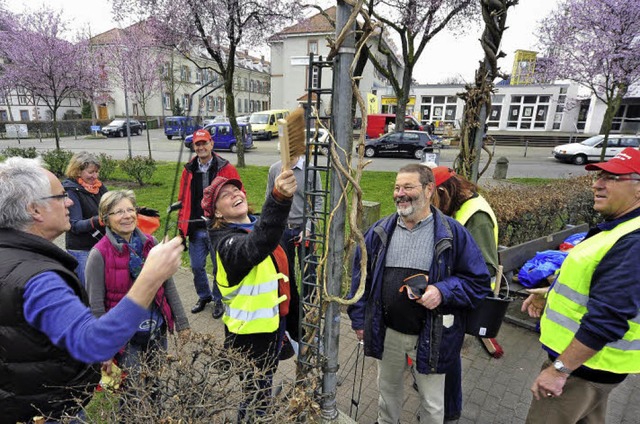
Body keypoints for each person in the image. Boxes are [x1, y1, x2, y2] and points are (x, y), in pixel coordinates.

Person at [0, 157, 183, 423]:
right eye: (61, 196)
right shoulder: (39, 278)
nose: (71, 202)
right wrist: (151, 276)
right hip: (47, 410)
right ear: (34, 210)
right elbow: (93, 343)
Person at [347, 164, 491, 424]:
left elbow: (479, 283)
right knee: (386, 394)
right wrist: (359, 321)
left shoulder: (452, 233)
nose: (400, 194)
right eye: (396, 187)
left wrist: (443, 290)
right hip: (388, 332)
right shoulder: (380, 232)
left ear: (428, 190)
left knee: (432, 403)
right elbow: (361, 280)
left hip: (432, 334)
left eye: (408, 187)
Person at [522, 147, 640, 424]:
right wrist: (548, 294)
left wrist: (559, 370)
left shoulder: (632, 242)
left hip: (581, 371)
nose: (597, 184)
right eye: (599, 176)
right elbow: (591, 286)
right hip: (590, 369)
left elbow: (608, 318)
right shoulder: (621, 228)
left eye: (612, 178)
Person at [203, 171, 296, 422]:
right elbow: (254, 247)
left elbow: (279, 265)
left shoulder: (255, 225)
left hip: (276, 325)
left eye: (236, 189)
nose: (235, 194)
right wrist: (277, 199)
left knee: (263, 386)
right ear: (218, 213)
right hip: (249, 337)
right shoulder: (225, 242)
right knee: (256, 393)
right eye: (225, 195)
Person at [85, 190, 190, 372]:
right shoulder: (98, 254)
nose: (127, 216)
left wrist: (182, 323)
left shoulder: (151, 243)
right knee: (132, 391)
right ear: (105, 218)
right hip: (124, 338)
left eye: (130, 210)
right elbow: (96, 305)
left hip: (156, 328)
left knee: (156, 382)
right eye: (119, 212)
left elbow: (168, 285)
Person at [431, 166, 500, 422]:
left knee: (448, 353)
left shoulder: (476, 215)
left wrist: (445, 286)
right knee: (440, 347)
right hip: (449, 290)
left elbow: (484, 269)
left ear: (442, 192)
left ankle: (449, 411)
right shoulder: (460, 207)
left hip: (459, 295)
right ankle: (435, 395)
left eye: (432, 200)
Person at [177, 128, 241, 319]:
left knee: (218, 267)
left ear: (212, 144)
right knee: (196, 266)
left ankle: (218, 298)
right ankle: (204, 296)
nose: (202, 147)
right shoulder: (188, 170)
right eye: (198, 144)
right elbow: (182, 200)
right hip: (196, 227)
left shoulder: (225, 167)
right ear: (194, 147)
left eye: (205, 143)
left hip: (218, 227)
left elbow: (239, 192)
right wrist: (181, 227)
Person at [266, 155, 323, 341]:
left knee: (309, 274)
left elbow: (319, 202)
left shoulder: (310, 170)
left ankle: (311, 316)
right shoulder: (275, 169)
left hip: (304, 229)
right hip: (283, 229)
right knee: (285, 274)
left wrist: (308, 228)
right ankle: (291, 318)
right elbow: (270, 199)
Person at [62, 151, 108, 286]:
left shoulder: (98, 187)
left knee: (101, 289)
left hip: (100, 245)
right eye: (91, 172)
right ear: (77, 171)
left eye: (97, 172)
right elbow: (74, 225)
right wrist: (98, 220)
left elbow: (112, 204)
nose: (95, 176)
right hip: (82, 250)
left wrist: (132, 209)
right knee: (88, 290)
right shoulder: (71, 191)